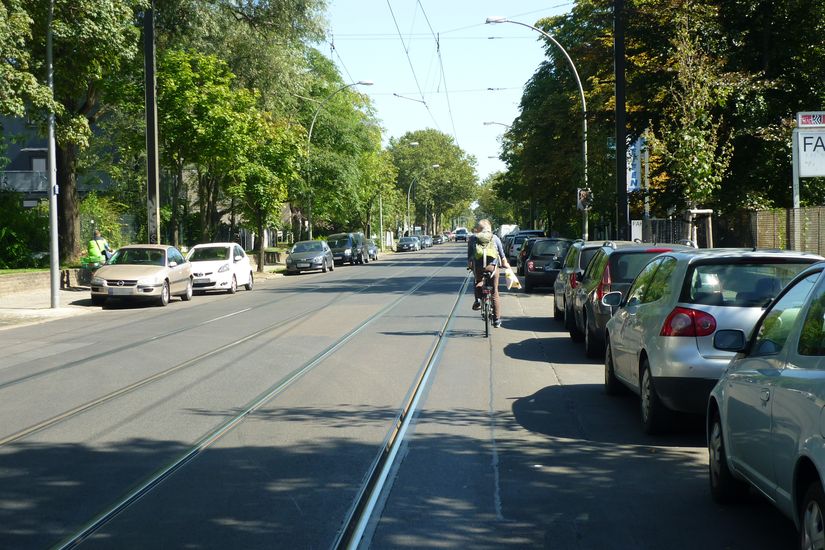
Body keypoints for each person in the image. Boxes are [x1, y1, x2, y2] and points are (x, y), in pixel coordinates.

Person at [467, 219, 511, 328]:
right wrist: (507, 266)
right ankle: (496, 320)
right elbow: (502, 256)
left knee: (478, 281)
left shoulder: (473, 238)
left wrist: (470, 266)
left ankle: (477, 299)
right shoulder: (495, 238)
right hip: (492, 268)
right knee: (495, 292)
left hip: (479, 268)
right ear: (489, 229)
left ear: (478, 229)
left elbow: (470, 258)